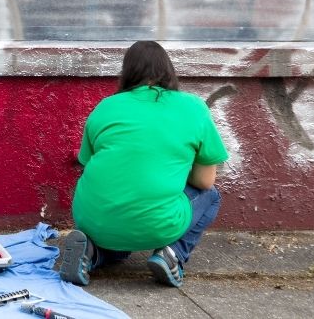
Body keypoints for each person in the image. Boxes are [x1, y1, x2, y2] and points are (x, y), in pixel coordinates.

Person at [58, 40, 228, 288]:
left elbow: (88, 163)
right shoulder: (193, 107)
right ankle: (172, 255)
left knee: (119, 226)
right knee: (211, 196)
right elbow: (204, 181)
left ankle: (92, 253)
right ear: (169, 70)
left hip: (92, 217)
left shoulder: (105, 107)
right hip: (155, 223)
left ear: (127, 73)